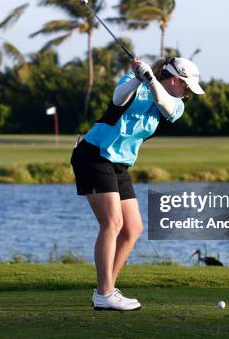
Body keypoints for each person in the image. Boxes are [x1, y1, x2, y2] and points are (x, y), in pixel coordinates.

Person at [70, 57, 205, 311]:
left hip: (119, 164)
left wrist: (151, 79)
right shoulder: (135, 84)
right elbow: (118, 100)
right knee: (112, 223)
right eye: (186, 87)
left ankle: (106, 288)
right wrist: (136, 78)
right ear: (175, 79)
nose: (188, 94)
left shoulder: (176, 105)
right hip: (94, 155)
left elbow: (164, 104)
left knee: (132, 228)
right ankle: (105, 292)